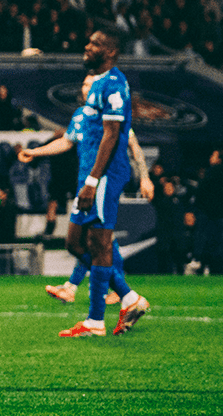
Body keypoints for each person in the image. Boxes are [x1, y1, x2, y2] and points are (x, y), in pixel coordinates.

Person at [41, 29, 151, 337]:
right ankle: (129, 298)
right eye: (88, 41)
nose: (87, 47)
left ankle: (95, 321)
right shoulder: (98, 86)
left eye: (96, 44)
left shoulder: (113, 84)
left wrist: (92, 180)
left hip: (103, 176)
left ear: (111, 53)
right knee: (75, 243)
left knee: (99, 244)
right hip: (90, 176)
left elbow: (113, 135)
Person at [21, 73, 155, 303]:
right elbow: (66, 142)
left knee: (92, 240)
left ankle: (101, 294)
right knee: (96, 241)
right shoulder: (81, 115)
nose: (86, 87)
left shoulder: (114, 113)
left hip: (103, 182)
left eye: (91, 84)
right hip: (86, 185)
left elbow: (134, 146)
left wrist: (145, 177)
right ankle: (114, 290)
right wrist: (36, 152)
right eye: (84, 83)